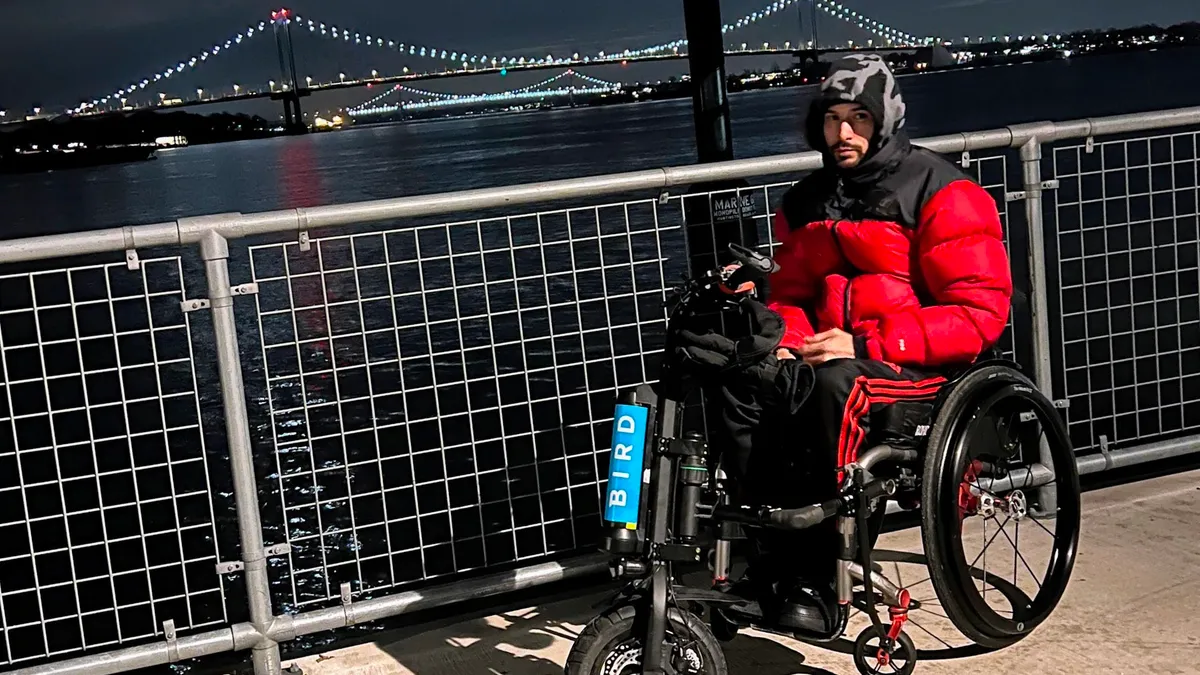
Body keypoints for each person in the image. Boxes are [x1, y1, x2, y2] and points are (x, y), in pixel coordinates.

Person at [685, 54, 1013, 632]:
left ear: (884, 120)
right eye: (831, 118)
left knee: (841, 385)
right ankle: (765, 561)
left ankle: (817, 577)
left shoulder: (944, 192)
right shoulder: (805, 200)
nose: (842, 134)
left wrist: (864, 339)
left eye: (858, 118)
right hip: (831, 353)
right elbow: (787, 293)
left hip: (916, 366)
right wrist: (786, 341)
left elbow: (980, 314)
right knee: (741, 377)